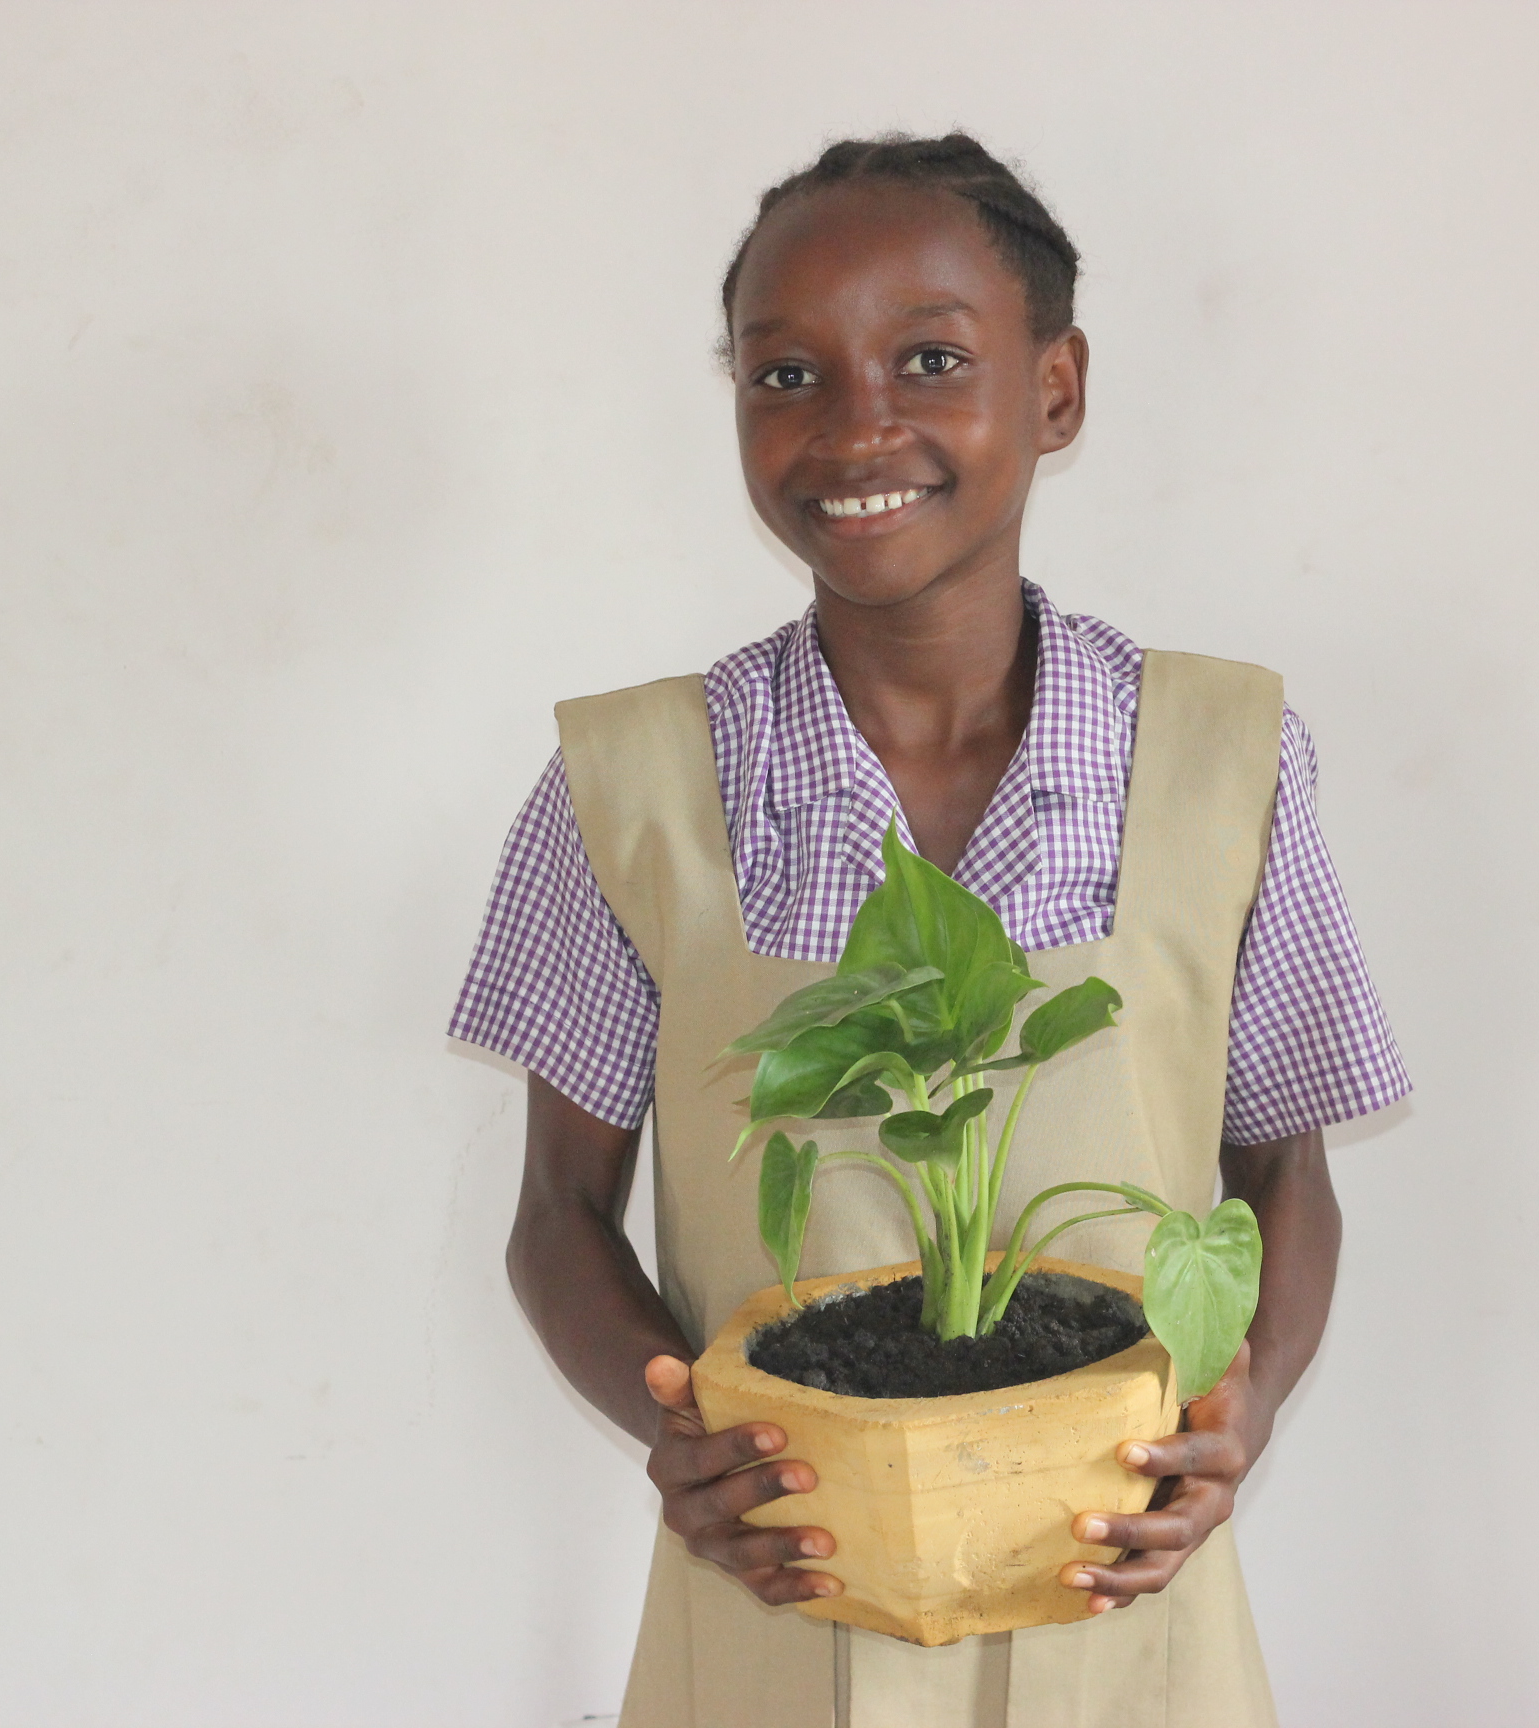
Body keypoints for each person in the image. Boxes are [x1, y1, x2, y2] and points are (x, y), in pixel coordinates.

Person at [449, 133, 1408, 1728]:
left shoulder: (1223, 761)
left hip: (1122, 1610)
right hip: (782, 1597)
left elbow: (1276, 1176)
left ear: (1057, 390)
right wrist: (672, 1423)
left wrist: (1235, 1413)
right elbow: (557, 1211)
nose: (855, 425)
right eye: (785, 375)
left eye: (931, 359)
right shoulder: (633, 787)